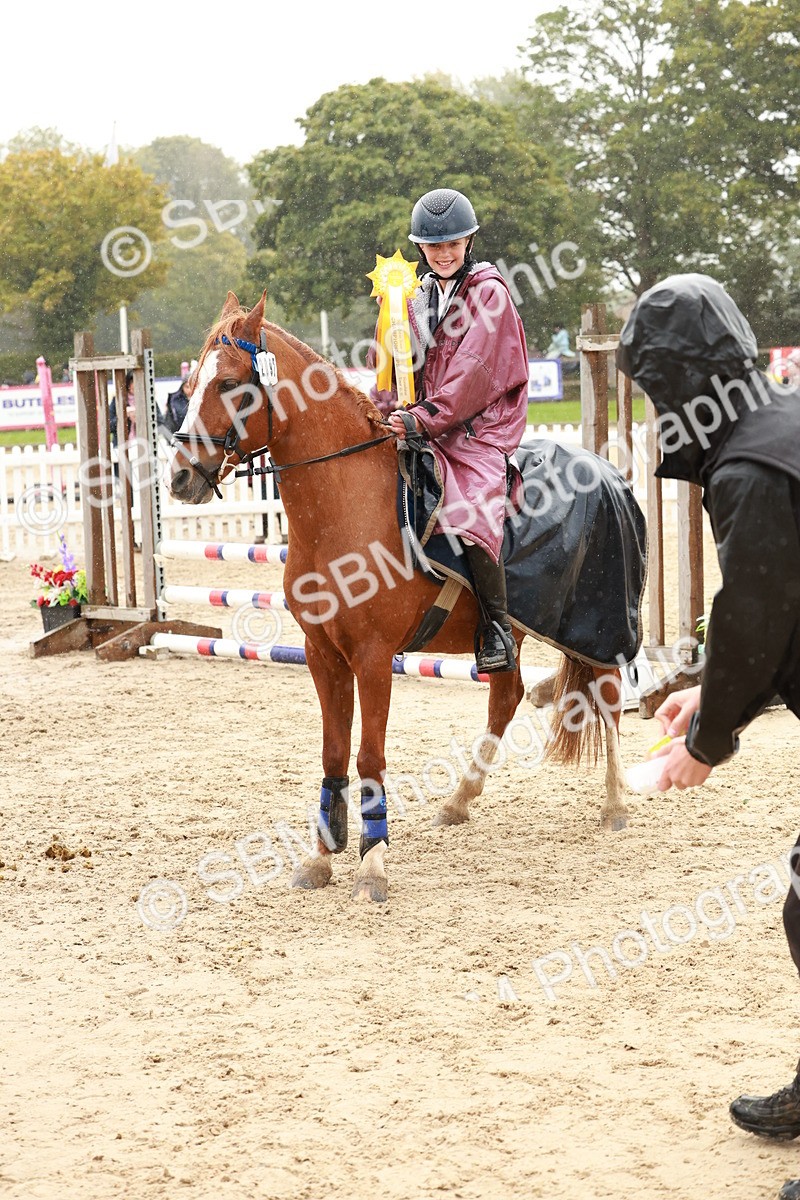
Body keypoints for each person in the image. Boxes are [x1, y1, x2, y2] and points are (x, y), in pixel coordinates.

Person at [617, 272, 800, 1200]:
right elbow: (784, 620)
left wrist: (709, 739)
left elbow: (758, 612)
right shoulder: (785, 426)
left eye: (657, 391)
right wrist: (711, 695)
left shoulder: (747, 469)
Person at [370, 187, 530, 673]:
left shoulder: (489, 293)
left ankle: (497, 629)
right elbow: (393, 366)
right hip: (428, 423)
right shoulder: (414, 299)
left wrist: (423, 417)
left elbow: (474, 373)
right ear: (420, 248)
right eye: (434, 246)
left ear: (470, 241)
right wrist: (378, 411)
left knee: (471, 506)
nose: (444, 253)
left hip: (479, 428)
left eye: (453, 243)